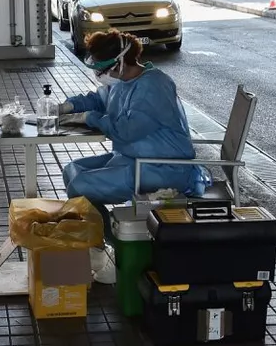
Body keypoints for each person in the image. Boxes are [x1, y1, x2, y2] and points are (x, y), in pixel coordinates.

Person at [59, 29, 201, 283]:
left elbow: (127, 130)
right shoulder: (124, 82)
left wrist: (90, 118)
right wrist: (68, 106)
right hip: (133, 158)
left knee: (80, 187)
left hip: (163, 166)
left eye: (103, 68)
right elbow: (97, 99)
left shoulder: (153, 86)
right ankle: (107, 242)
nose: (100, 75)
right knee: (72, 170)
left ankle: (115, 248)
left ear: (121, 62)